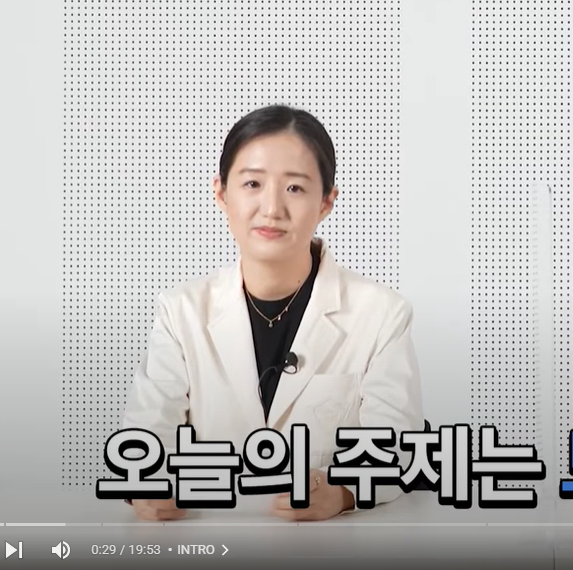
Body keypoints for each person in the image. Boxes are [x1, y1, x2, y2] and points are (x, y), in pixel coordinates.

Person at [122, 105, 424, 520]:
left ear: (326, 202)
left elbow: (397, 448)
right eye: (252, 183)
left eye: (295, 188)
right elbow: (143, 439)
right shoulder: (182, 311)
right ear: (221, 193)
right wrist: (146, 485)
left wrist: (343, 492)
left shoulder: (382, 313)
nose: (272, 208)